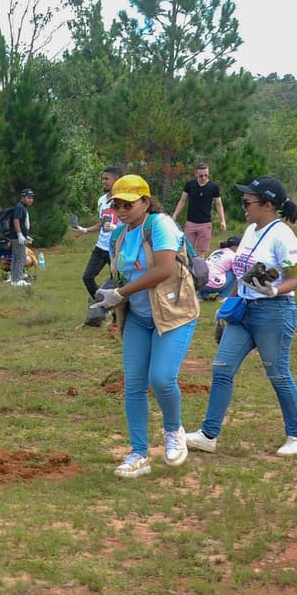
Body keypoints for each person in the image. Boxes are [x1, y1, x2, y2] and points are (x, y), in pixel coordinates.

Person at [186, 177, 297, 457]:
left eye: (248, 202)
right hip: (244, 312)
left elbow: (294, 281)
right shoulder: (251, 230)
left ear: (268, 205)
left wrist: (272, 289)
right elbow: (242, 276)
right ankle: (208, 435)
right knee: (222, 369)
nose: (244, 206)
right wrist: (227, 308)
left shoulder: (283, 236)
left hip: (274, 313)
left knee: (278, 374)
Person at [90, 175, 199, 478]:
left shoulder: (160, 224)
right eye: (116, 204)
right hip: (138, 318)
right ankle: (139, 453)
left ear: (145, 202)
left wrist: (120, 293)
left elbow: (164, 269)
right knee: (134, 386)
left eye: (128, 203)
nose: (121, 209)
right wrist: (109, 297)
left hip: (173, 313)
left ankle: (173, 430)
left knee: (162, 378)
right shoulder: (118, 237)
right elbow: (122, 276)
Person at [75, 167, 122, 324]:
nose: (103, 181)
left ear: (116, 180)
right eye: (103, 178)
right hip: (101, 247)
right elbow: (103, 222)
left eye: (106, 179)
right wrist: (85, 230)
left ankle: (117, 317)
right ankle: (101, 307)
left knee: (116, 282)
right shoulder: (102, 200)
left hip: (116, 248)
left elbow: (131, 223)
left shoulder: (124, 200)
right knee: (87, 277)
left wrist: (116, 229)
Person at [171, 162, 227, 255]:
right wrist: (175, 214)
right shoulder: (190, 185)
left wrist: (223, 221)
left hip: (205, 223)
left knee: (201, 252)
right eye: (201, 176)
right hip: (191, 222)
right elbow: (182, 200)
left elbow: (218, 204)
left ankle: (200, 269)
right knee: (188, 250)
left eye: (206, 175)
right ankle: (189, 269)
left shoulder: (213, 187)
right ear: (196, 174)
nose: (204, 178)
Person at [196, 236, 240, 301]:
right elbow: (237, 272)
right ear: (234, 247)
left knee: (210, 269)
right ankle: (222, 296)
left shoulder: (216, 251)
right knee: (234, 274)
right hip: (214, 285)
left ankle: (200, 296)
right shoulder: (233, 256)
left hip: (200, 283)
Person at [9, 188, 35, 286]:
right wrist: (19, 234)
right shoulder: (19, 207)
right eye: (28, 198)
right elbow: (16, 220)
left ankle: (14, 279)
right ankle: (18, 279)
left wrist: (26, 235)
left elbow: (22, 223)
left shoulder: (23, 207)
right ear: (23, 197)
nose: (31, 200)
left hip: (18, 236)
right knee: (21, 258)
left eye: (32, 198)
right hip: (17, 236)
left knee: (16, 258)